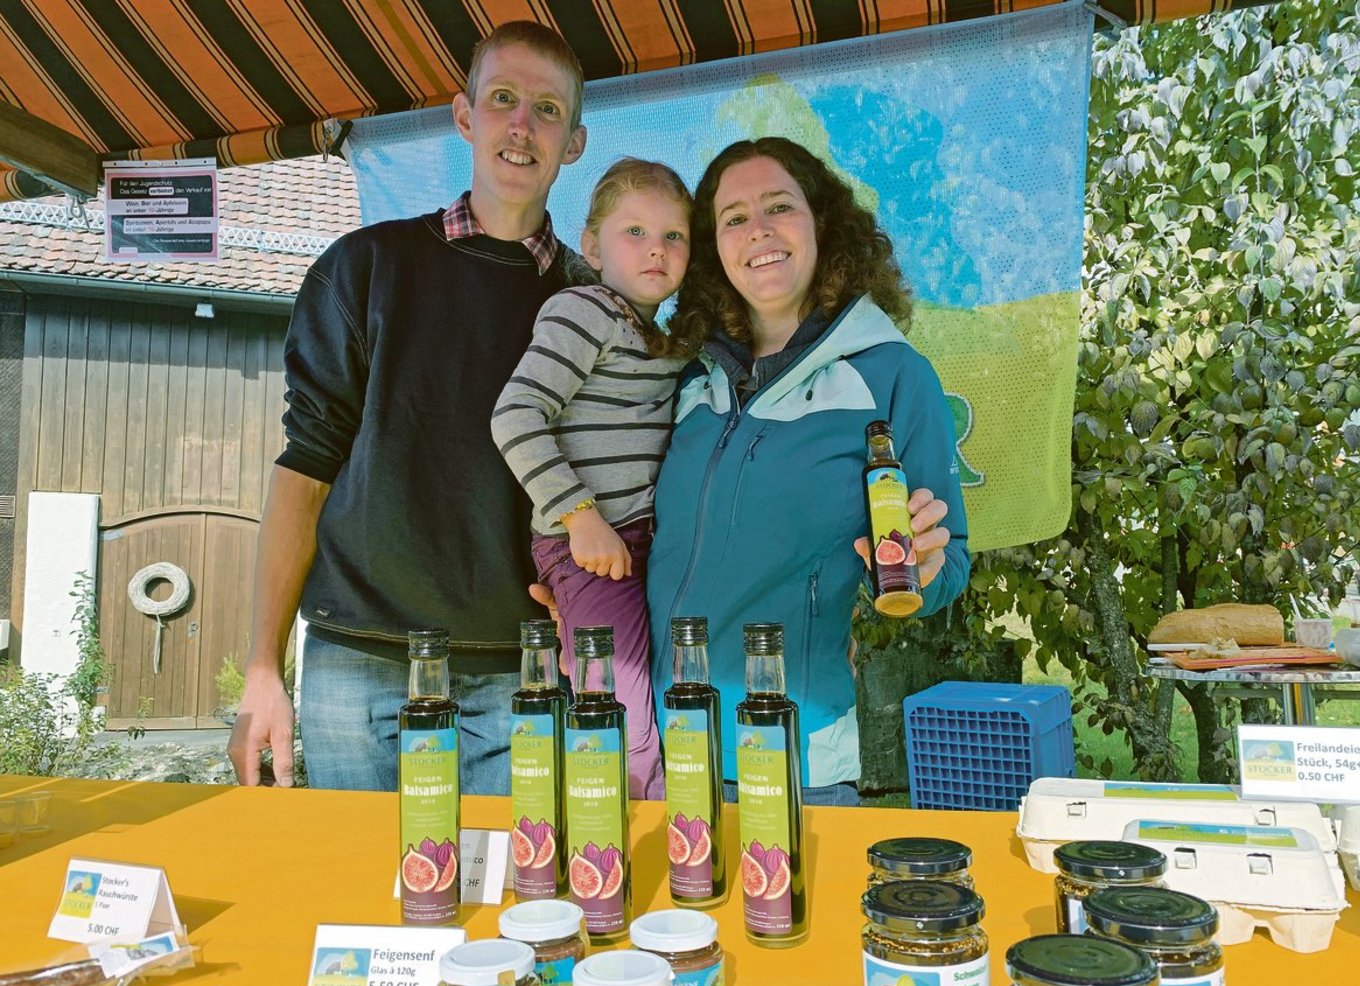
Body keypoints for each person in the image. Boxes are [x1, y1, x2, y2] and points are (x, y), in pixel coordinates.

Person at [229, 21, 589, 792]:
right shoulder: (364, 269)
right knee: (358, 873)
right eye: (502, 99)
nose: (522, 126)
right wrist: (262, 666)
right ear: (464, 117)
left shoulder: (593, 302)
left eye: (548, 110)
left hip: (524, 672)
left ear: (574, 143)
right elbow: (304, 471)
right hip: (359, 663)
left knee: (513, 876)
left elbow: (620, 484)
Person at [651, 136, 970, 806]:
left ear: (822, 223)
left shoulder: (892, 373)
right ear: (714, 248)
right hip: (657, 750)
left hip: (793, 759)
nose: (759, 230)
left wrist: (927, 569)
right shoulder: (686, 376)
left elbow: (950, 563)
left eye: (779, 207)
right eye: (734, 218)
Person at [491, 159, 692, 800]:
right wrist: (581, 517)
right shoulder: (585, 310)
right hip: (588, 546)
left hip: (641, 543)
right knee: (621, 717)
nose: (656, 249)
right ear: (592, 247)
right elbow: (515, 414)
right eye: (634, 232)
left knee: (654, 700)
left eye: (674, 236)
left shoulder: (662, 338)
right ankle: (628, 838)